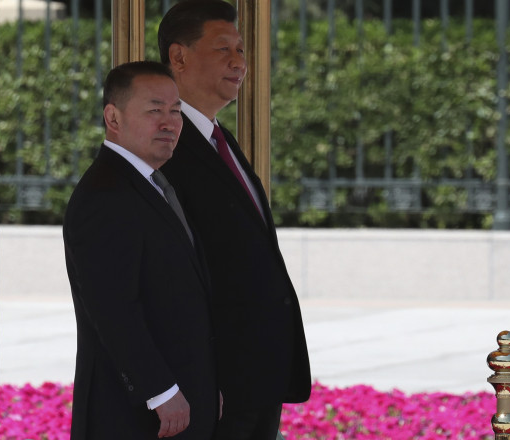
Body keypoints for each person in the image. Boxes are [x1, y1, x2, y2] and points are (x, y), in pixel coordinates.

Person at [158, 1, 312, 439]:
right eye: (223, 48)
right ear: (179, 57)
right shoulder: (166, 148)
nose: (239, 62)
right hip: (217, 385)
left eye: (241, 50)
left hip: (254, 378)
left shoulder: (216, 137)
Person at [63, 61, 218, 440]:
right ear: (112, 118)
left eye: (175, 111)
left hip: (178, 403)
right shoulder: (105, 195)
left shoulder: (151, 184)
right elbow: (113, 309)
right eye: (154, 111)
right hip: (137, 416)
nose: (169, 123)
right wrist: (161, 391)